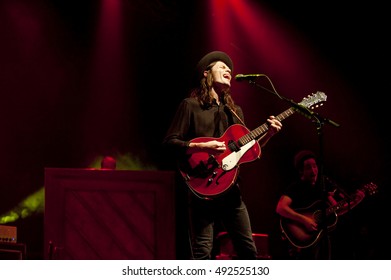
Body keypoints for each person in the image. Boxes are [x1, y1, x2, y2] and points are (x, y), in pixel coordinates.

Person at [162, 50, 282, 259]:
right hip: (201, 186)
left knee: (249, 252)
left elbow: (248, 151)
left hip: (231, 191)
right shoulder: (190, 106)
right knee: (203, 252)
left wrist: (269, 134)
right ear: (206, 74)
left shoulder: (234, 111)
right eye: (222, 66)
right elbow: (170, 143)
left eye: (229, 68)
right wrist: (202, 147)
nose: (228, 70)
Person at [275, 150, 366, 259]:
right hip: (301, 242)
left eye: (315, 166)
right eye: (308, 167)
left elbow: (337, 210)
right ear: (301, 171)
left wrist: (356, 201)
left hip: (321, 239)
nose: (313, 170)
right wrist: (304, 219)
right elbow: (280, 208)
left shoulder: (323, 188)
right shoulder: (295, 187)